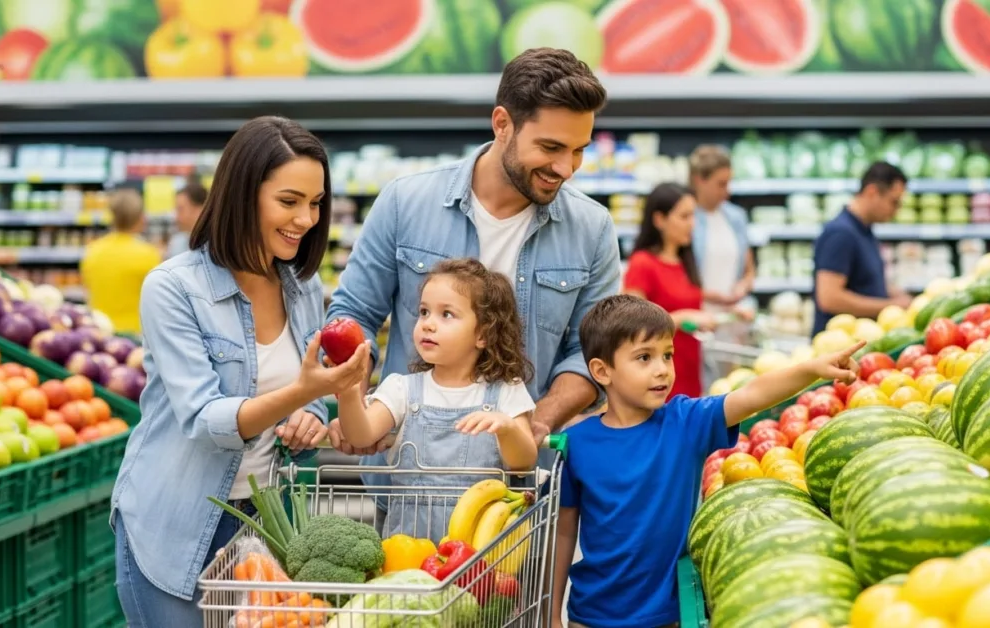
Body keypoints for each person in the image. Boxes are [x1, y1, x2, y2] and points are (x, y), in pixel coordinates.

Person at [110, 116, 372, 626]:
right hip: (177, 522)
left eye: (315, 203)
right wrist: (303, 390)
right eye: (289, 201)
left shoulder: (303, 291)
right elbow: (206, 420)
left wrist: (311, 413)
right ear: (242, 195)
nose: (307, 219)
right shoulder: (173, 288)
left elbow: (306, 398)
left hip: (267, 522)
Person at [325, 47, 617, 462]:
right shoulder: (405, 202)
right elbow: (354, 315)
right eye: (551, 147)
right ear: (502, 124)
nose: (566, 168)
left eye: (578, 150)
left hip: (523, 489)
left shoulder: (592, 227)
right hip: (410, 474)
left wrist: (537, 420)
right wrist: (355, 401)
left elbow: (592, 354)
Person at [552, 294, 863, 628]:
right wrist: (552, 611)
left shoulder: (686, 422)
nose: (662, 370)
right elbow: (564, 531)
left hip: (668, 614)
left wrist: (811, 369)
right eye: (644, 357)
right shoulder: (577, 444)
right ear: (602, 371)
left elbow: (751, 395)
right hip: (591, 616)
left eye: (667, 355)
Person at [335, 258, 538, 541]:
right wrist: (347, 394)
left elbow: (523, 462)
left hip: (480, 558)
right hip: (407, 556)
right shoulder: (402, 389)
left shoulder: (506, 392)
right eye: (424, 312)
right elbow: (361, 434)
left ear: (483, 334)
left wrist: (507, 427)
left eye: (447, 314)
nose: (428, 324)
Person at [623, 183, 715, 399]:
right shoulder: (642, 264)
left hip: (691, 374)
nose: (692, 224)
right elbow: (632, 329)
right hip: (657, 382)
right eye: (684, 216)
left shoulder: (685, 262)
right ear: (659, 220)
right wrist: (681, 318)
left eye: (694, 216)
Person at [812, 161, 913, 335]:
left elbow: (864, 279)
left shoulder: (864, 231)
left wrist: (895, 293)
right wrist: (891, 306)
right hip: (838, 347)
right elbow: (829, 298)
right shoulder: (841, 233)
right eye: (894, 202)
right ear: (872, 192)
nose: (896, 210)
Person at [79, 188, 163, 335]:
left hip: (100, 330)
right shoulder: (148, 254)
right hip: (137, 332)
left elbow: (87, 290)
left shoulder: (93, 251)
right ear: (140, 218)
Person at [688, 144, 755, 310]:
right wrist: (711, 296)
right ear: (699, 180)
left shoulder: (736, 217)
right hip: (694, 317)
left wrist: (743, 287)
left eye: (729, 183)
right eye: (721, 184)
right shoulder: (684, 219)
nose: (727, 191)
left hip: (732, 316)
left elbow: (749, 270)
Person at [166, 181, 208, 259]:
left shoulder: (217, 246)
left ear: (199, 210)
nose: (176, 217)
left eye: (180, 209)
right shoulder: (177, 243)